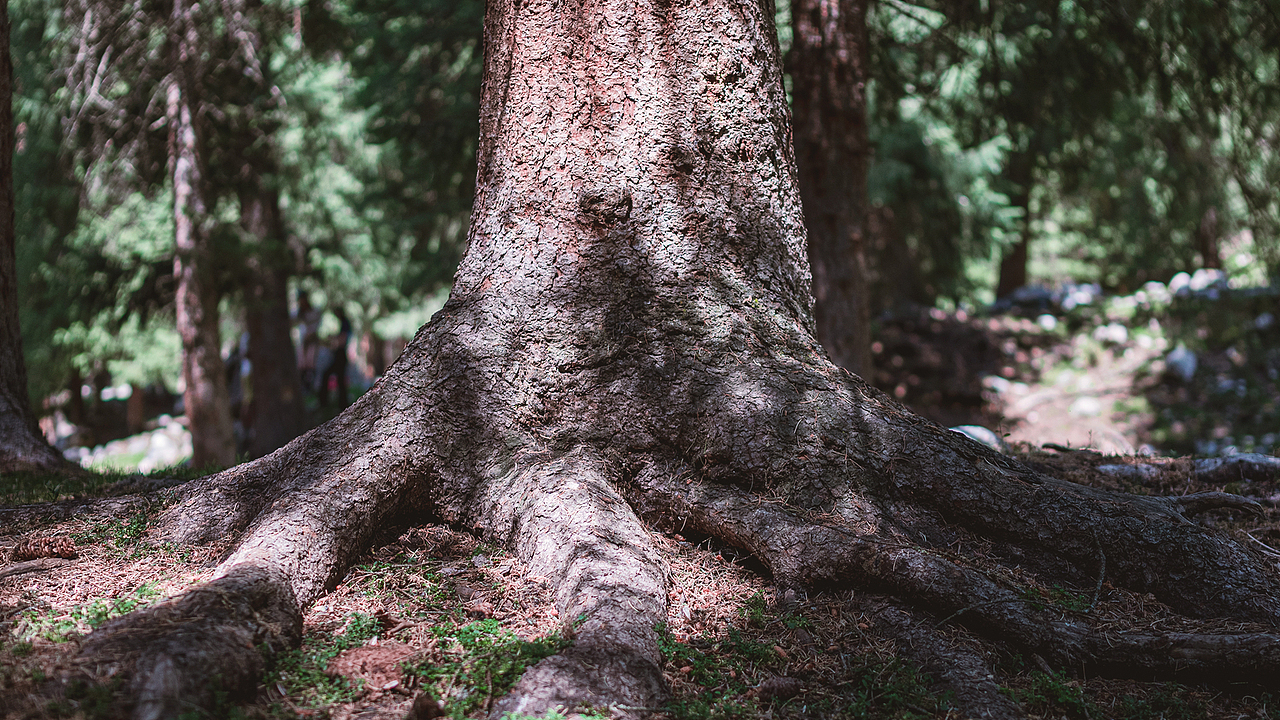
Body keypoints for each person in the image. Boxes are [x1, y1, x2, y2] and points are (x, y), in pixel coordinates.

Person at [318, 309, 352, 408]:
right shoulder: (342, 324)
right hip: (339, 355)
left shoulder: (345, 324)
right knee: (338, 380)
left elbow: (342, 340)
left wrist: (333, 340)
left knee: (337, 380)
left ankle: (328, 403)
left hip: (340, 356)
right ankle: (337, 403)